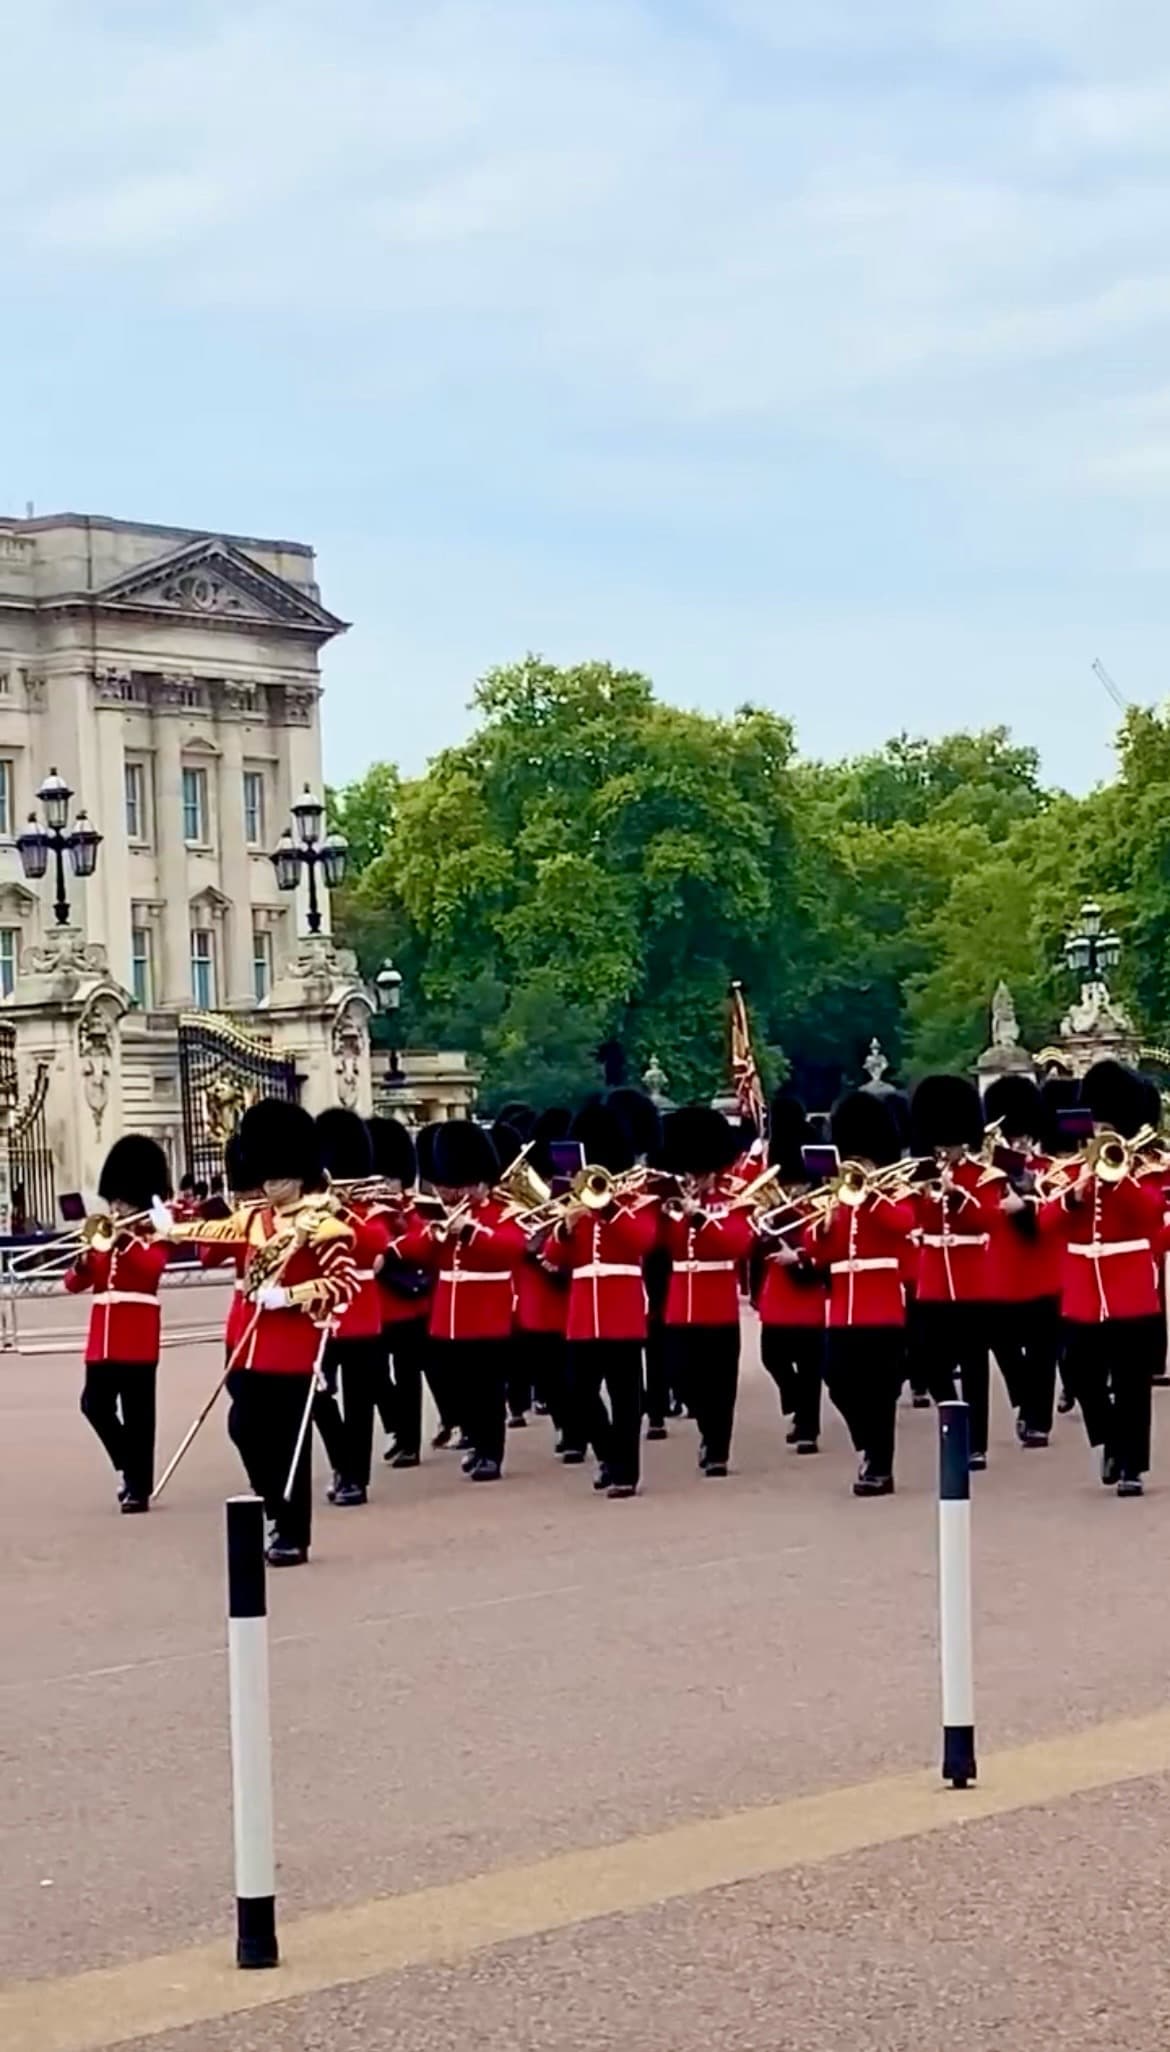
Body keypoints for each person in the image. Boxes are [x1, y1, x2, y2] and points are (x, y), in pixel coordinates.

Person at [155, 1098, 359, 1565]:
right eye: (265, 1176)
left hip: (293, 1348)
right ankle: (273, 1504)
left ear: (300, 1172)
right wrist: (174, 1231)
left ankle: (292, 1533)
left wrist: (290, 1296)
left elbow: (345, 1284)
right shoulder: (254, 1218)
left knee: (291, 1445)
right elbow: (220, 1232)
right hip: (249, 1347)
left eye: (279, 1177)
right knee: (242, 1427)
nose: (270, 1185)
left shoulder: (323, 1225)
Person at [1040, 1060, 1165, 1497]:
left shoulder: (1144, 1170)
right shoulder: (1070, 1171)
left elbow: (1152, 1215)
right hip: (1082, 1290)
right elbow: (1046, 1221)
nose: (1100, 1132)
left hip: (1129, 1285)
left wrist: (1119, 1178)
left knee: (1132, 1381)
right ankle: (1110, 1437)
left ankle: (1132, 1466)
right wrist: (1076, 1193)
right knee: (1079, 1371)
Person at [388, 1122, 525, 1481]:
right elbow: (415, 1250)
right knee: (458, 1386)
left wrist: (470, 1231)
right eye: (446, 1186)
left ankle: (490, 1453)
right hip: (449, 1313)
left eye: (459, 1185)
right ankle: (477, 1442)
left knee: (488, 1388)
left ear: (481, 1181)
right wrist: (432, 1235)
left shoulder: (504, 1211)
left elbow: (511, 1248)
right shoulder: (440, 1213)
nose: (451, 1193)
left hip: (488, 1309)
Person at [541, 1102, 657, 1497]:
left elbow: (643, 1241)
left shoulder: (637, 1197)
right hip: (581, 1312)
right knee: (576, 1391)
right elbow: (554, 1260)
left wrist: (608, 1209)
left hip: (621, 1306)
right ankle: (610, 1453)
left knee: (626, 1397)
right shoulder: (574, 1199)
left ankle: (626, 1472)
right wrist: (565, 1230)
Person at [804, 1092, 916, 1496]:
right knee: (837, 1380)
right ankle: (866, 1446)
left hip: (882, 1303)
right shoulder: (836, 1195)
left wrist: (870, 1195)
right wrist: (826, 1224)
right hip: (843, 1307)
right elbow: (819, 1253)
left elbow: (903, 1223)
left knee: (881, 1391)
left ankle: (879, 1467)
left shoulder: (894, 1191)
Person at [66, 1134, 172, 1513]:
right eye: (113, 1201)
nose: (115, 1208)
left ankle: (138, 1489)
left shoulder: (153, 1234)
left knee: (139, 1416)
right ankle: (129, 1467)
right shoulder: (103, 1237)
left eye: (122, 1202)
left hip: (138, 1335)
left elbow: (152, 1268)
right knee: (94, 1404)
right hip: (102, 1338)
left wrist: (124, 1239)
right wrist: (81, 1261)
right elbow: (74, 1283)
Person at [658, 1107, 754, 1478]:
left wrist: (698, 1215)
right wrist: (671, 1211)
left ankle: (717, 1449)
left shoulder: (734, 1197)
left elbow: (736, 1244)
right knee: (680, 1375)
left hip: (718, 1301)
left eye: (699, 1170)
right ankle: (705, 1429)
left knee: (720, 1382)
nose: (694, 1176)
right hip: (681, 1300)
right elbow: (660, 1244)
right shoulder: (672, 1198)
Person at [910, 1075, 1000, 1470]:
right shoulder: (918, 1175)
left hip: (971, 1279)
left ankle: (975, 1442)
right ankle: (953, 1417)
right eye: (940, 1141)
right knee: (929, 1362)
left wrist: (957, 1196)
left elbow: (989, 1220)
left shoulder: (984, 1177)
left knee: (975, 1366)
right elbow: (908, 1218)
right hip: (932, 1280)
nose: (944, 1149)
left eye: (950, 1142)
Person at [312, 1108, 393, 1506]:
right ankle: (343, 1460)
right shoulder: (309, 1211)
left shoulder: (370, 1211)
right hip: (320, 1318)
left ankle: (354, 1479)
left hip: (361, 1315)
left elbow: (373, 1244)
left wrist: (340, 1211)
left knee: (360, 1404)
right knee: (316, 1396)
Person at [983, 1074, 1062, 1449]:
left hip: (1042, 1267)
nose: (1020, 1142)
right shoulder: (988, 1174)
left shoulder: (1048, 1168)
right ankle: (1023, 1398)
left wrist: (1027, 1203)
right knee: (1002, 1343)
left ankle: (1038, 1421)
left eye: (1024, 1136)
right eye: (1014, 1137)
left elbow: (1057, 1209)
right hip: (1002, 1270)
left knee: (1044, 1350)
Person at [754, 1092, 825, 1455]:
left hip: (807, 1290)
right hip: (779, 1291)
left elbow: (824, 1240)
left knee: (811, 1365)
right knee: (773, 1356)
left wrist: (797, 1255)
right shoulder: (775, 1200)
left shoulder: (815, 1200)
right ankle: (795, 1401)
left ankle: (807, 1427)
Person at [368, 1115, 434, 1467]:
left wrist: (391, 1248)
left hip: (405, 1301)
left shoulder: (413, 1206)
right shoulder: (367, 1207)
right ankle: (397, 1423)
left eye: (387, 1178)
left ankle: (409, 1441)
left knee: (408, 1374)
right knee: (374, 1374)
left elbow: (423, 1240)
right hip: (372, 1304)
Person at [608, 1087, 670, 1438]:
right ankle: (646, 1399)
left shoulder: (655, 1173)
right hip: (623, 1258)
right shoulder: (613, 1171)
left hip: (656, 1253)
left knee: (657, 1328)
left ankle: (658, 1404)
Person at [513, 1107, 573, 1439]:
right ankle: (565, 1423)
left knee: (571, 1369)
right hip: (537, 1288)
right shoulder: (525, 1193)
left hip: (569, 1287)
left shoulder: (577, 1188)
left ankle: (575, 1430)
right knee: (546, 1371)